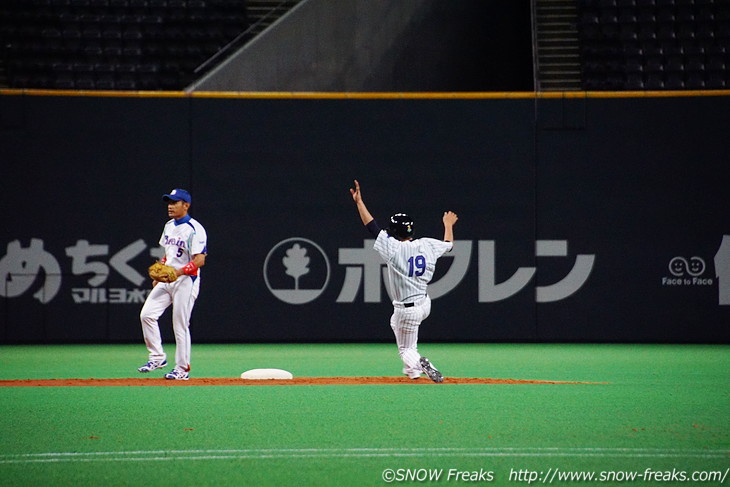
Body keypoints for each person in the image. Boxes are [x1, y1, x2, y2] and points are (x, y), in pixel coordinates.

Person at [349, 179, 458, 383]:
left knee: (406, 349)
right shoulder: (427, 244)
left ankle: (421, 364)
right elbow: (449, 244)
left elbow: (371, 226)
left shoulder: (393, 248)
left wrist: (359, 202)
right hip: (425, 304)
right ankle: (412, 371)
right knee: (395, 323)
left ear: (393, 232)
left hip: (406, 309)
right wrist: (448, 224)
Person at [138, 188, 208, 380]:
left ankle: (182, 369)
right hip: (168, 278)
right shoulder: (169, 225)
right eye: (169, 202)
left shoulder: (195, 229)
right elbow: (169, 254)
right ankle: (158, 357)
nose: (170, 206)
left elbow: (200, 260)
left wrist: (176, 272)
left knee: (180, 324)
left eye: (174, 202)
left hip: (186, 280)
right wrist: (160, 272)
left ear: (186, 205)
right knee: (147, 315)